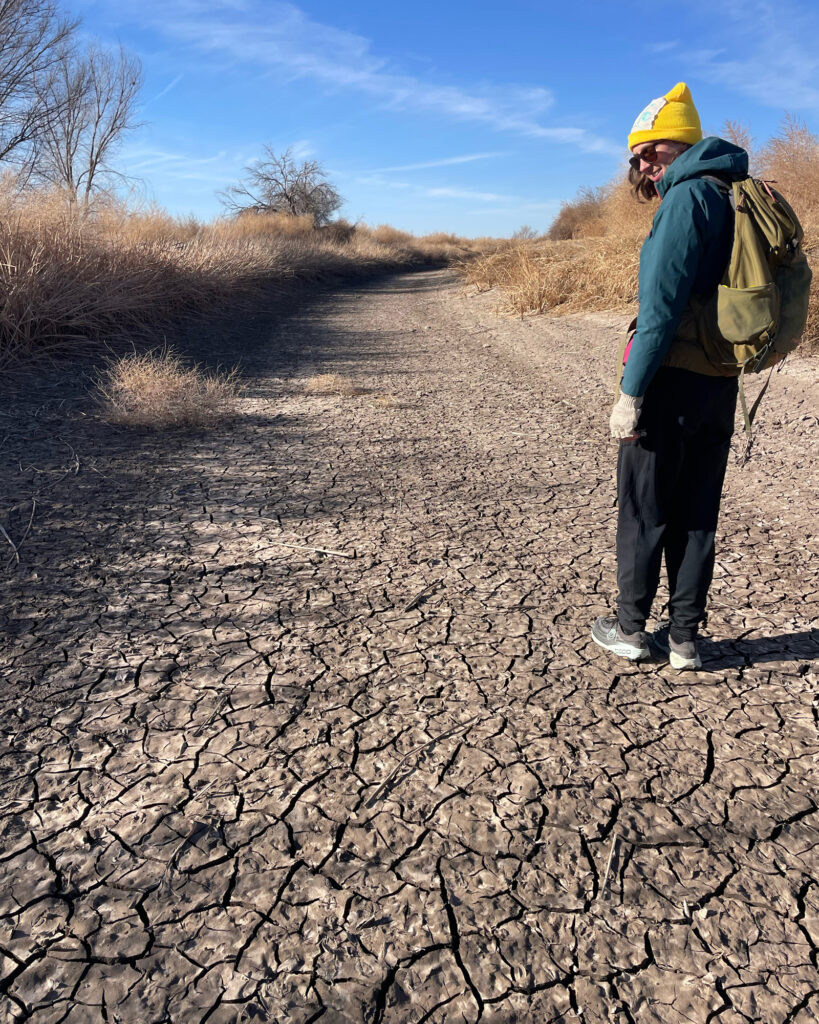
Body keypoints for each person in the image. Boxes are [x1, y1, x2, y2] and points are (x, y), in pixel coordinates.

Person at [592, 82, 757, 671]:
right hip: (719, 379)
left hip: (671, 380)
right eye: (637, 156)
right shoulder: (735, 194)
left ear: (680, 147)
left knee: (645, 507)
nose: (642, 165)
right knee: (697, 508)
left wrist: (630, 393)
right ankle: (684, 639)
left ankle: (632, 630)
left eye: (650, 151)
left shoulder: (687, 199)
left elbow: (659, 312)